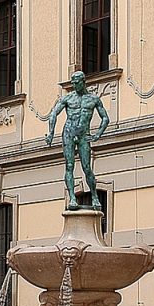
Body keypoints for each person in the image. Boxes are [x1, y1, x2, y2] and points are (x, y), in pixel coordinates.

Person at [45, 70, 110, 210]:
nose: (74, 85)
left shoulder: (93, 99)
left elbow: (105, 118)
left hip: (83, 135)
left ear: (83, 81)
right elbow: (54, 114)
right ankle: (72, 198)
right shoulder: (68, 98)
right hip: (68, 133)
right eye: (73, 83)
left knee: (87, 168)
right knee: (69, 166)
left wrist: (98, 134)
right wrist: (50, 133)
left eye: (77, 83)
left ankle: (94, 196)